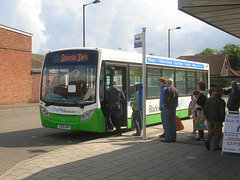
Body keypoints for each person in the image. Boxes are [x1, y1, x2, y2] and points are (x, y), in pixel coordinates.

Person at [161, 78, 178, 142]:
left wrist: (163, 105)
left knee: (167, 123)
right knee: (173, 123)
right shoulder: (175, 89)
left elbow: (166, 100)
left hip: (167, 108)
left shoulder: (168, 90)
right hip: (173, 108)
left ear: (167, 83)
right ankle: (173, 137)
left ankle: (167, 138)